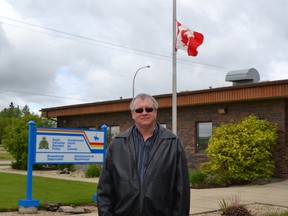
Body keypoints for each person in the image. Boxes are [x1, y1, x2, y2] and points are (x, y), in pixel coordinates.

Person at [97, 93, 190, 216]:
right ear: (133, 114)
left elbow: (181, 191)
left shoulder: (173, 143)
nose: (144, 113)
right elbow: (105, 189)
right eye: (139, 110)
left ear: (155, 112)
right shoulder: (117, 144)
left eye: (149, 109)